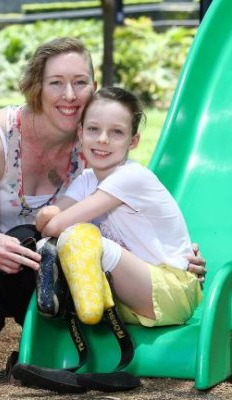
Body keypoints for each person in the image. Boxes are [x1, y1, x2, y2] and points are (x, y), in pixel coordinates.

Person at [0, 38, 206, 380]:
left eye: (80, 83)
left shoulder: (93, 147)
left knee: (53, 250)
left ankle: (38, 347)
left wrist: (170, 254)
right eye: (56, 83)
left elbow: (128, 215)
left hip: (31, 252)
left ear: (93, 88)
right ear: (37, 87)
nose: (70, 95)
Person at [35, 87, 203, 327]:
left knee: (79, 238)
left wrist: (48, 220)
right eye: (93, 129)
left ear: (132, 141)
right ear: (81, 133)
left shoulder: (130, 177)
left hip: (171, 290)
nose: (103, 139)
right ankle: (83, 302)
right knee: (56, 242)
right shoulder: (86, 180)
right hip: (130, 297)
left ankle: (85, 306)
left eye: (116, 132)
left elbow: (55, 224)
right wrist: (48, 221)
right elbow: (48, 225)